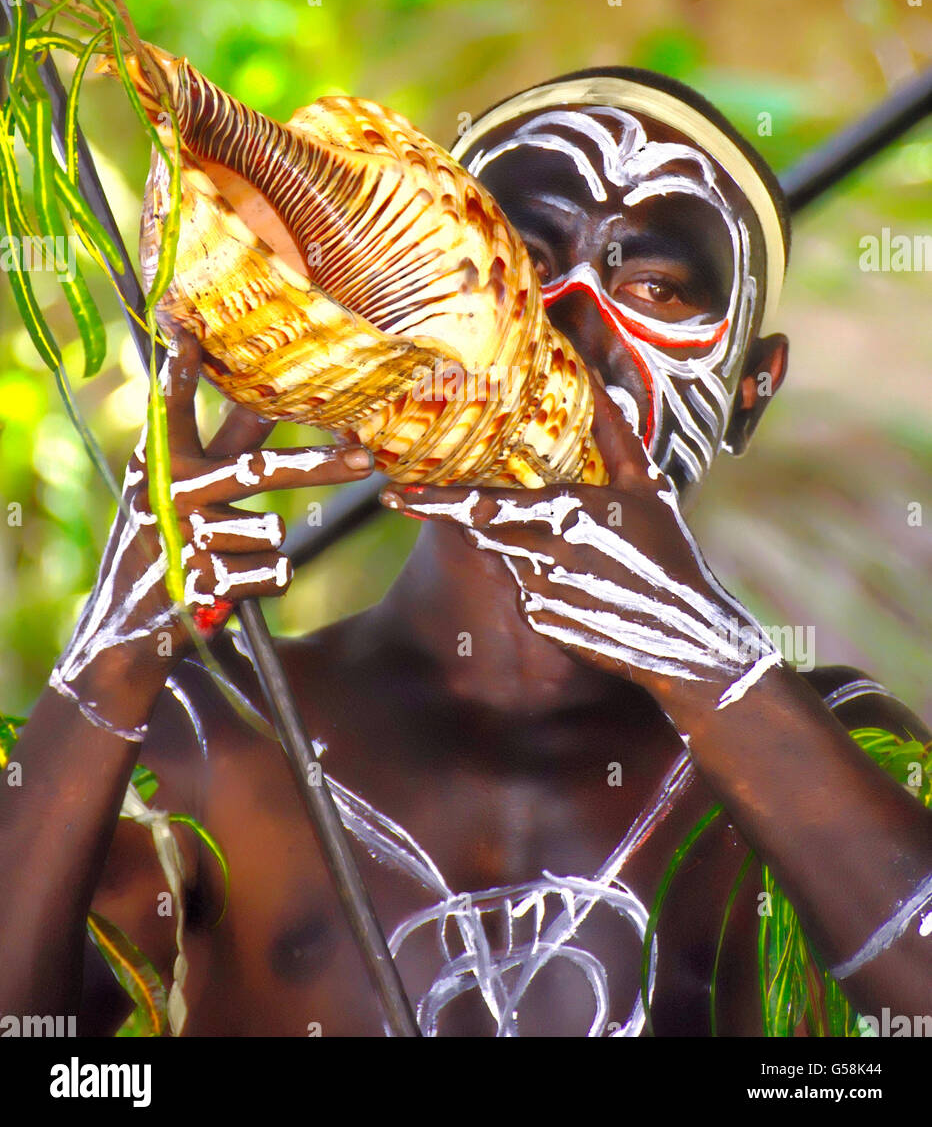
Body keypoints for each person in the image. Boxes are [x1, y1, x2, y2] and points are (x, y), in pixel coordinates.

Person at [0, 68, 929, 1037]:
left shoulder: (829, 747)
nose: (561, 333)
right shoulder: (205, 731)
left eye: (651, 284)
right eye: (516, 265)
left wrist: (713, 672)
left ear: (748, 391)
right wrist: (104, 668)